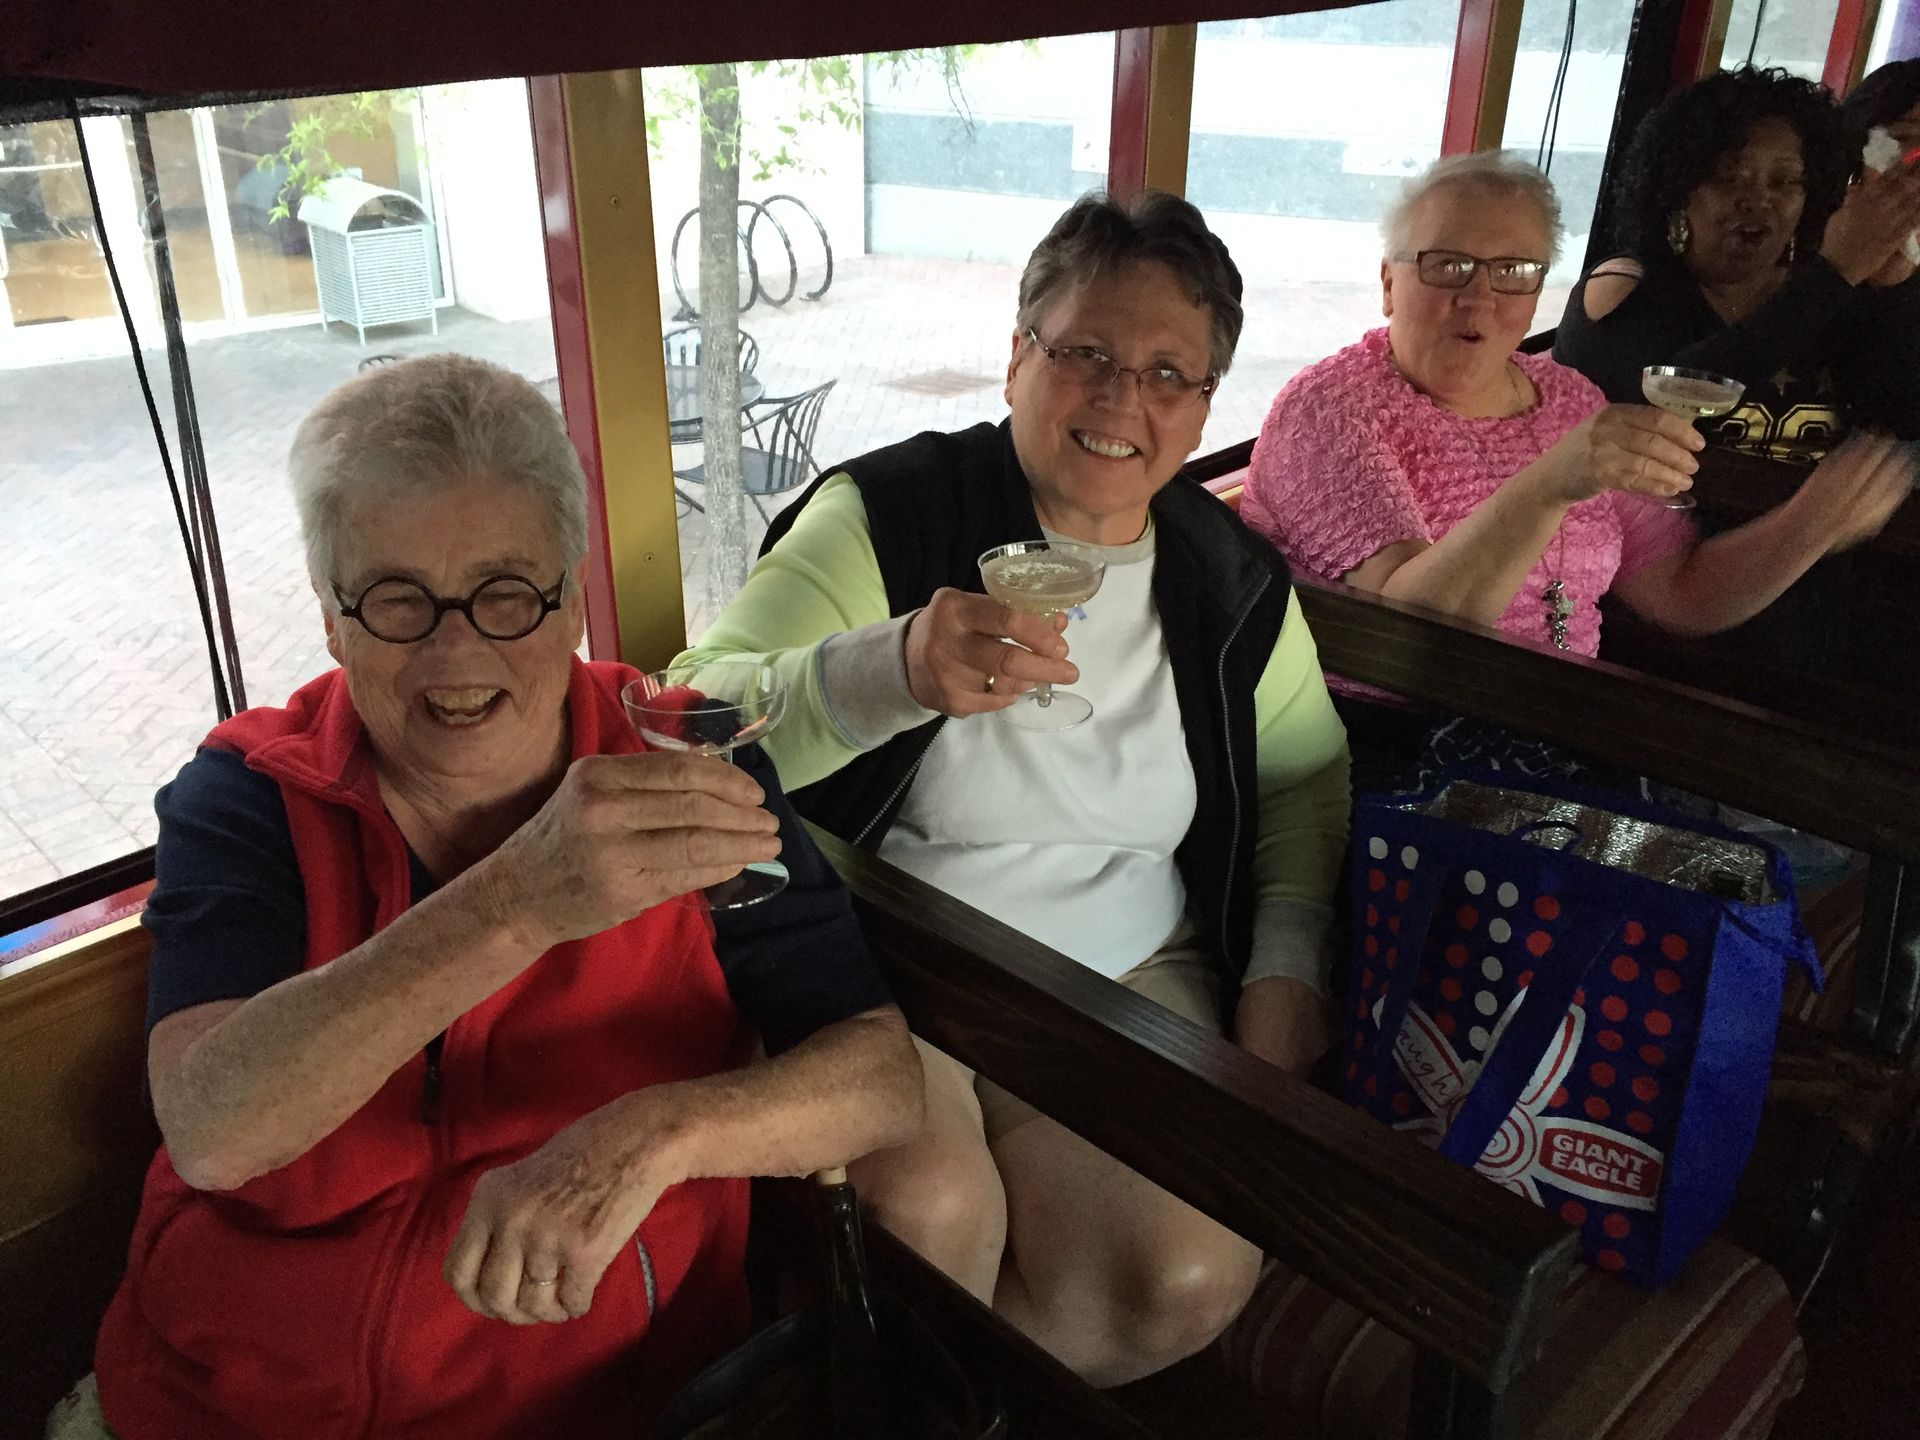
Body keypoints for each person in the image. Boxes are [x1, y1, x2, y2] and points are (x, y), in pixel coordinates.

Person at [66, 356, 922, 1440]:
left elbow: (879, 1077)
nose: (455, 649)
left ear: (571, 598)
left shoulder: (688, 764)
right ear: (332, 619)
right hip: (229, 1403)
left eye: (506, 593)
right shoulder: (250, 794)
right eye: (396, 598)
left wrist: (655, 1134)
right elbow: (212, 1132)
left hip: (597, 1403)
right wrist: (518, 902)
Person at [680, 191, 1351, 1387]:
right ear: (1016, 357)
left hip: (1124, 974)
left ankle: (927, 1399)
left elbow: (1306, 779)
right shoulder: (894, 513)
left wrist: (1285, 970)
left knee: (1184, 1274)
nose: (1121, 398)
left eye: (1167, 373)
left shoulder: (1228, 577)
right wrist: (889, 669)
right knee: (928, 1216)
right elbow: (695, 715)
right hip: (893, 961)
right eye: (1085, 353)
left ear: (1203, 405)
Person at [1240, 152, 1914, 787]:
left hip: (1556, 730)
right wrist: (1550, 485)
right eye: (1448, 265)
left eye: (1513, 271)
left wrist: (1811, 524)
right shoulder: (1332, 409)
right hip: (1387, 755)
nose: (1479, 297)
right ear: (1390, 283)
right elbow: (1411, 643)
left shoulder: (1568, 399)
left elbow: (1680, 592)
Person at [1553, 65, 1920, 459]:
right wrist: (1835, 272)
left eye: (1784, 182)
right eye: (1728, 177)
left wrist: (1893, 288)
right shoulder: (1621, 288)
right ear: (1677, 189)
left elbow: (1902, 419)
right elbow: (1663, 410)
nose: (1758, 200)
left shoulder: (1834, 292)